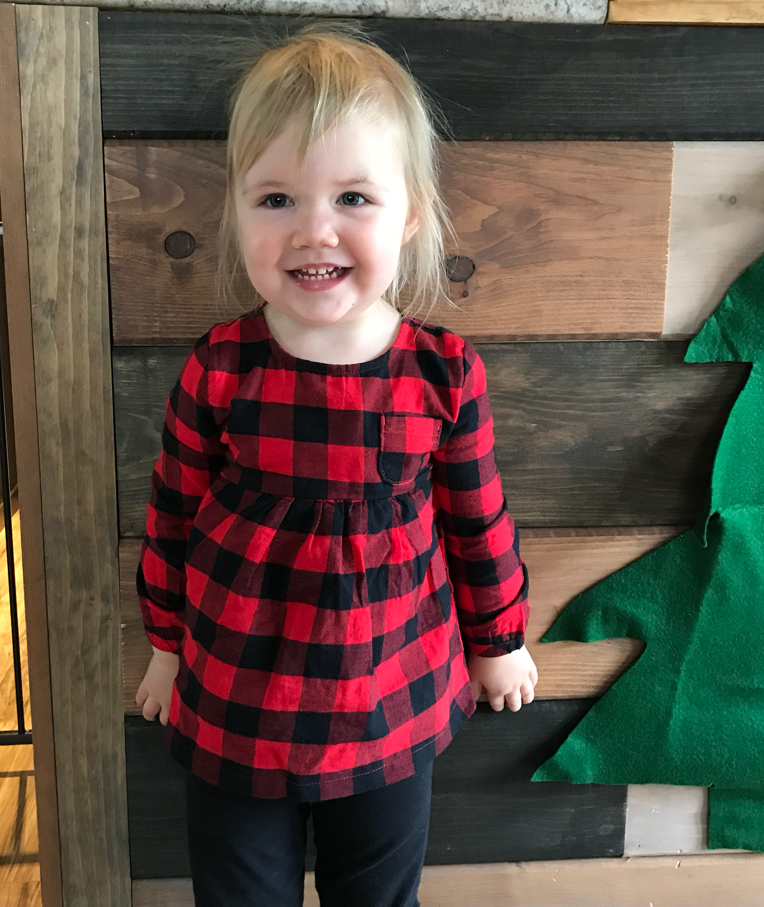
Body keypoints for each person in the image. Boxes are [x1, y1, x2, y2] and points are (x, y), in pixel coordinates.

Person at [135, 21, 537, 907]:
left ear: (410, 214)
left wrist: (498, 638)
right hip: (236, 699)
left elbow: (476, 521)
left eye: (352, 197)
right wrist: (164, 645)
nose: (313, 231)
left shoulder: (441, 372)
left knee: (378, 895)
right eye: (276, 199)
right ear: (236, 211)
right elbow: (171, 518)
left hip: (391, 697)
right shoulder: (220, 367)